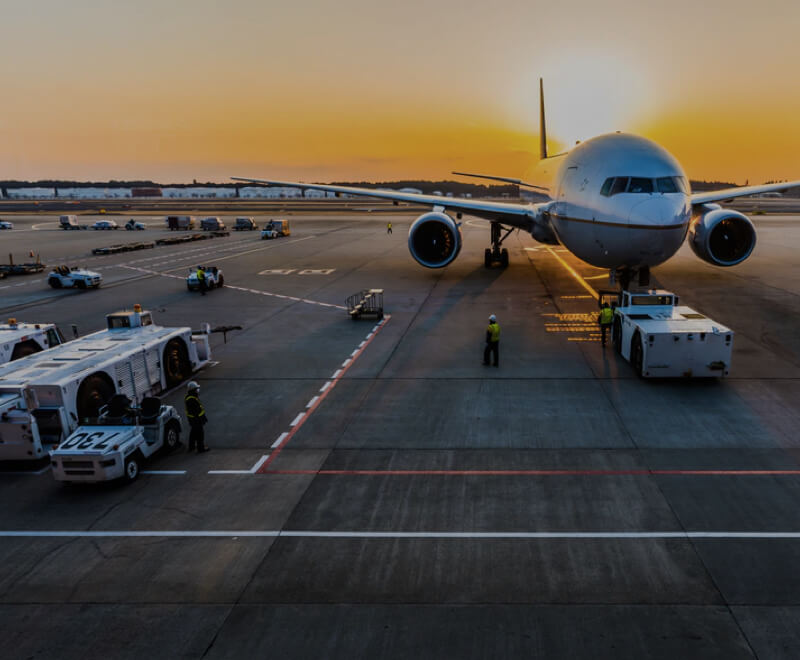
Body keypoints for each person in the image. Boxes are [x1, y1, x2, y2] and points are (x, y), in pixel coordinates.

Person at [184, 381, 209, 453]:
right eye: (196, 388)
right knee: (200, 434)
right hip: (196, 420)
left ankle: (191, 447)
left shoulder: (190, 397)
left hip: (193, 420)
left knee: (193, 433)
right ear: (193, 390)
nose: (198, 390)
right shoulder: (191, 399)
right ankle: (201, 448)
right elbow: (197, 412)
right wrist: (201, 419)